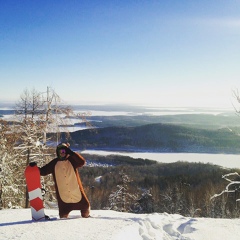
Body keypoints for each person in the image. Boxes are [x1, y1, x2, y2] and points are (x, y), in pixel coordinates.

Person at [38, 143, 90, 218]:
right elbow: (43, 171)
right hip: (63, 198)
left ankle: (88, 220)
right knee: (63, 216)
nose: (62, 153)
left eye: (64, 151)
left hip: (77, 193)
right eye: (60, 151)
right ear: (57, 152)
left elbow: (82, 162)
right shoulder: (54, 163)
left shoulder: (72, 161)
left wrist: (72, 153)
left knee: (85, 208)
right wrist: (34, 168)